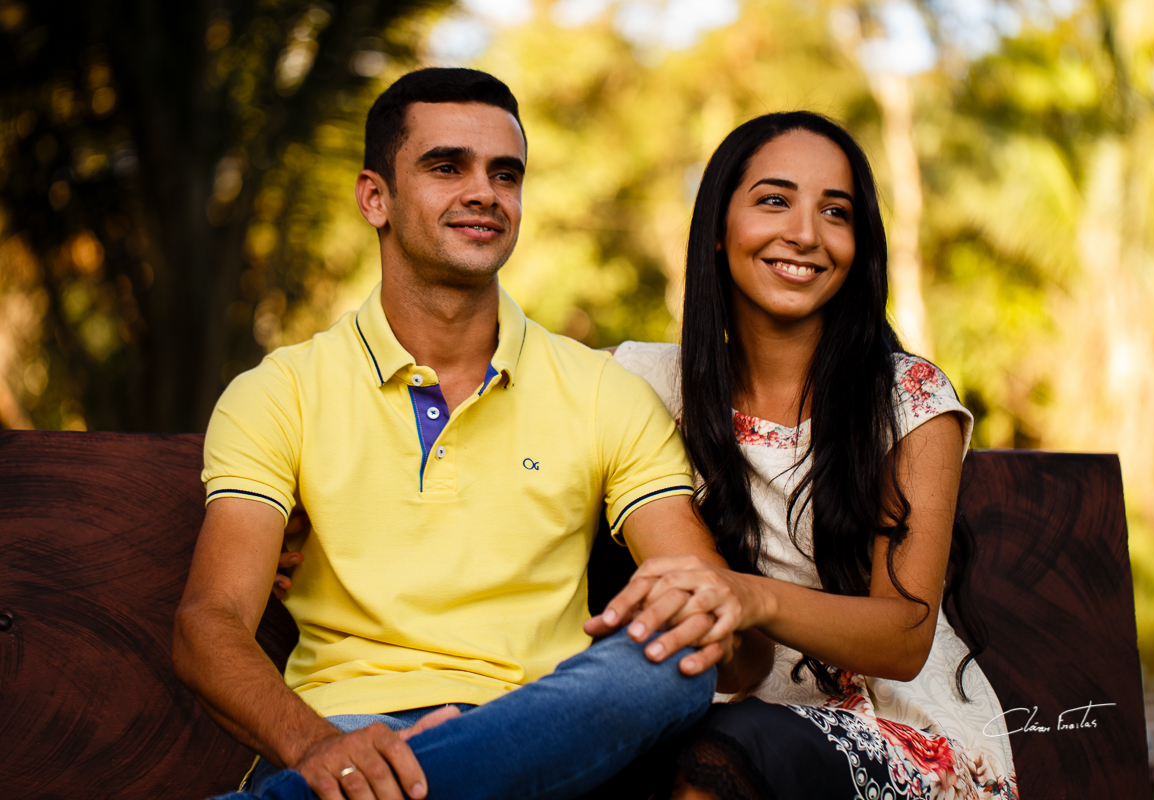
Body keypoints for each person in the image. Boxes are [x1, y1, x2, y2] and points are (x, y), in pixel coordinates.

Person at [173, 67, 772, 800]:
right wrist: (323, 747)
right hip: (349, 732)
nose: (484, 191)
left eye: (505, 173)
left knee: (668, 659)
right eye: (446, 166)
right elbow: (209, 621)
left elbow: (718, 633)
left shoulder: (601, 392)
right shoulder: (280, 393)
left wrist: (712, 620)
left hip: (545, 732)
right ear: (375, 197)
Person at [599, 112, 1019, 798]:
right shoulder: (642, 382)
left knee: (719, 757)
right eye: (774, 200)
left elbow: (905, 635)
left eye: (836, 212)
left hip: (904, 737)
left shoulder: (908, 398)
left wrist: (747, 595)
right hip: (726, 722)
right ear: (715, 229)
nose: (804, 233)